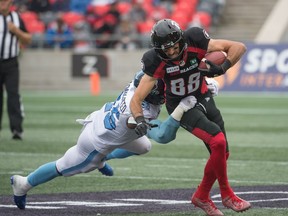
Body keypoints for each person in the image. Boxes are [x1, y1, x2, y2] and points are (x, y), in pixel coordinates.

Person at [11, 71, 220, 210]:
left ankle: (104, 160)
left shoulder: (140, 84)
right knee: (63, 166)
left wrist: (202, 84)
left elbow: (158, 72)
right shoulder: (138, 111)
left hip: (106, 123)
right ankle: (24, 184)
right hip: (95, 143)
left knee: (144, 146)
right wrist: (182, 109)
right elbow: (162, 136)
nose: (167, 92)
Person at [129, 18, 251, 216]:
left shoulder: (194, 38)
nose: (171, 52)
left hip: (202, 95)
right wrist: (139, 119)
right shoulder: (154, 60)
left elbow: (238, 47)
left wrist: (222, 68)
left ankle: (201, 196)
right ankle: (227, 195)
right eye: (165, 49)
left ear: (181, 39)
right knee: (217, 142)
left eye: (174, 46)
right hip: (181, 106)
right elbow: (136, 99)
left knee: (222, 153)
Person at [0, 0, 32, 140]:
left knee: (13, 95)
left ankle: (17, 129)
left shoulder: (16, 18)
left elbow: (28, 39)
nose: (2, 3)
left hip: (11, 63)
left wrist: (16, 31)